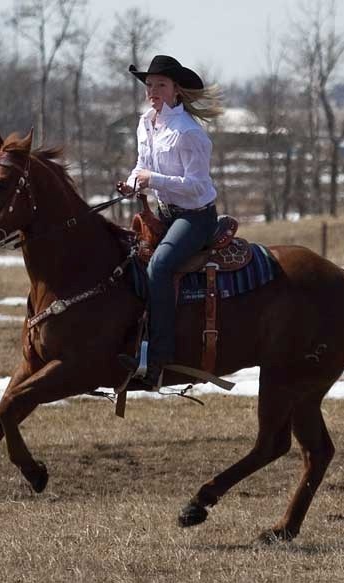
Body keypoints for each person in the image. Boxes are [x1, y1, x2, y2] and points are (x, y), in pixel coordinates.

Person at [116, 55, 224, 389]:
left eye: (160, 85)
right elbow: (141, 165)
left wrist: (153, 180)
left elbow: (195, 186)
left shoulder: (189, 133)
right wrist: (133, 182)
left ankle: (157, 359)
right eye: (149, 85)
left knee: (160, 267)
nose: (153, 91)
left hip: (195, 216)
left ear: (176, 90)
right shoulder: (146, 122)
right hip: (165, 212)